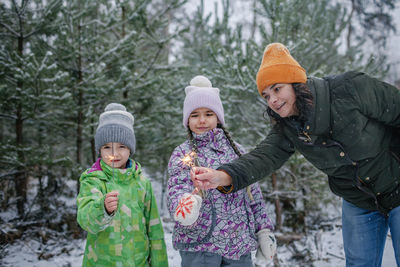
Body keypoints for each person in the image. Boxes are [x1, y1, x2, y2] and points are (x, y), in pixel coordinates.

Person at [191, 43, 400, 266]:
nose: (272, 100)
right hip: (359, 200)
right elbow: (263, 157)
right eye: (266, 95)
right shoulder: (289, 128)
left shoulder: (350, 89)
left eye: (277, 89)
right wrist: (222, 176)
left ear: (296, 84)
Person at [167, 75, 276, 267]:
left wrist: (264, 231)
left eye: (209, 114)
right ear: (187, 119)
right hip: (199, 246)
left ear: (218, 116)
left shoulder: (238, 151)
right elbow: (176, 187)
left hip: (238, 245)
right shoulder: (183, 154)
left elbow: (254, 196)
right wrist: (184, 205)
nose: (202, 120)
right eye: (195, 115)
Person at [77, 103, 168, 267]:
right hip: (102, 262)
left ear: (130, 149)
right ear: (99, 149)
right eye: (107, 147)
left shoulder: (141, 183)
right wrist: (102, 208)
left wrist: (159, 263)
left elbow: (154, 228)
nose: (114, 153)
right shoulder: (94, 180)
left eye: (121, 146)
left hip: (138, 262)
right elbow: (86, 220)